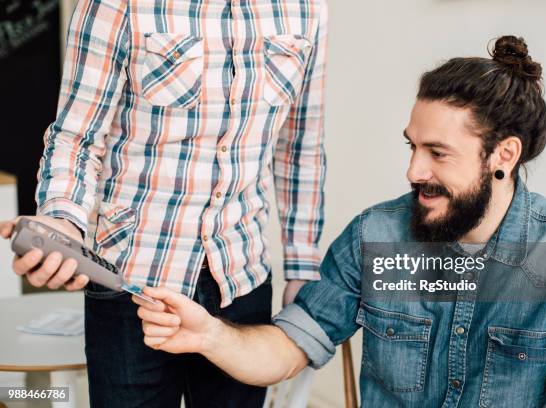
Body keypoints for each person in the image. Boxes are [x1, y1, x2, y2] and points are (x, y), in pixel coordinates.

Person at [132, 36, 546, 407]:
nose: (413, 171)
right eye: (412, 147)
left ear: (503, 155)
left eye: (437, 153)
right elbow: (288, 346)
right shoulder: (375, 238)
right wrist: (211, 335)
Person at [0, 0, 328, 406]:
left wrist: (301, 266)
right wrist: (64, 219)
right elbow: (76, 137)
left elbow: (301, 150)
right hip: (131, 284)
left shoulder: (307, 9)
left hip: (242, 279)